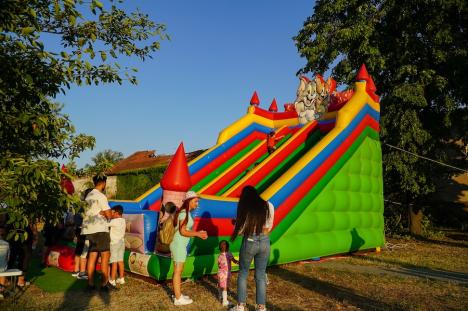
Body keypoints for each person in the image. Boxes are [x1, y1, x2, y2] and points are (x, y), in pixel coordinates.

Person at [230, 186, 274, 311]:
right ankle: (261, 307)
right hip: (265, 240)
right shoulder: (268, 205)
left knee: (243, 273)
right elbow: (269, 225)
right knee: (260, 275)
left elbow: (240, 231)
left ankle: (241, 306)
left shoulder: (245, 208)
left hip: (250, 241)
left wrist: (236, 224)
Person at [170, 191, 208, 306]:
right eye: (196, 201)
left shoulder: (185, 213)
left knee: (178, 270)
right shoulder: (183, 213)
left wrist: (197, 232)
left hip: (179, 244)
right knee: (178, 271)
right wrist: (197, 234)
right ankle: (178, 298)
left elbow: (184, 230)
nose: (197, 204)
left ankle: (178, 294)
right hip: (178, 245)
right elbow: (182, 231)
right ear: (189, 201)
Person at [82, 174, 113, 292]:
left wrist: (101, 212)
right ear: (103, 183)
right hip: (100, 229)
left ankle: (90, 284)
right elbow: (109, 214)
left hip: (89, 230)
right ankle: (104, 284)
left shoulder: (88, 196)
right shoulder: (101, 196)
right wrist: (104, 213)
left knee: (92, 255)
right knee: (105, 256)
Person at [108, 205, 126, 287]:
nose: (111, 214)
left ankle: (112, 279)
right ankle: (121, 278)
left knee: (114, 262)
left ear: (117, 213)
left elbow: (105, 224)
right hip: (121, 243)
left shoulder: (114, 221)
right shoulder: (123, 220)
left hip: (114, 244)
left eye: (112, 212)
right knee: (120, 261)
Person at [217, 240, 238, 307]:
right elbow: (234, 260)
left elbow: (219, 265)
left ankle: (220, 297)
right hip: (226, 274)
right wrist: (238, 262)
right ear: (228, 247)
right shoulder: (229, 254)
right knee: (225, 288)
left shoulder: (219, 255)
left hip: (220, 273)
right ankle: (225, 301)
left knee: (221, 286)